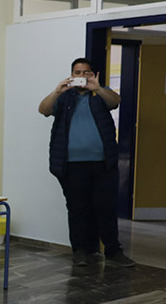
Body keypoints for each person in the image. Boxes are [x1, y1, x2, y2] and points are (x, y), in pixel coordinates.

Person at [38, 58, 135, 268]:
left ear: (92, 74)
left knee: (106, 208)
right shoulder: (64, 96)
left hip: (103, 164)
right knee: (77, 209)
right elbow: (43, 110)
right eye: (77, 72)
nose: (81, 76)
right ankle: (80, 251)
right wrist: (57, 91)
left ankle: (113, 251)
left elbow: (115, 101)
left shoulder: (100, 94)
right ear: (72, 75)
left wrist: (97, 88)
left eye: (86, 72)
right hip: (71, 165)